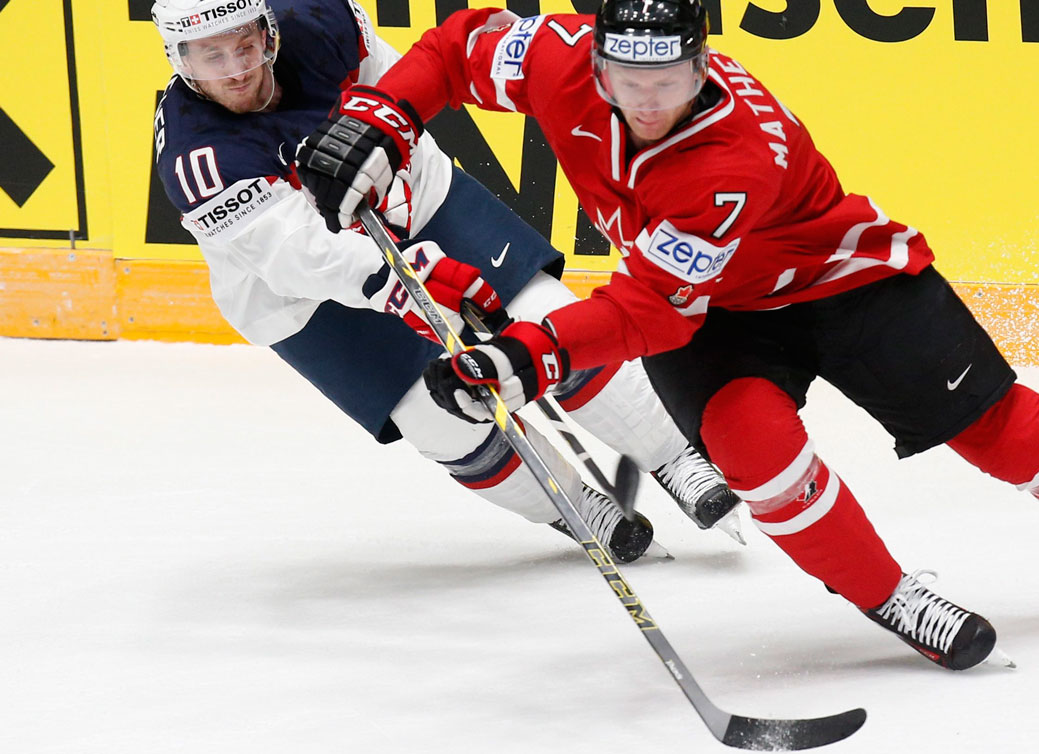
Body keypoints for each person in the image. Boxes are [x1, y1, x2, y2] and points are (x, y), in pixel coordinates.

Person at [295, 0, 1039, 670]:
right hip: (716, 320)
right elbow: (465, 46)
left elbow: (650, 312)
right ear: (593, 56)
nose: (643, 98)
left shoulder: (727, 153)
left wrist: (530, 354)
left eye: (667, 76)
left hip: (842, 283)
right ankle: (889, 594)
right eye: (624, 75)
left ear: (702, 61)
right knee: (755, 454)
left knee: (999, 430)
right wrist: (381, 117)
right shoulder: (561, 65)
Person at [149, 0, 743, 565]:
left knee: (549, 318)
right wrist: (404, 279)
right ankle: (574, 506)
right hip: (301, 297)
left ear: (268, 31)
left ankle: (675, 457)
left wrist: (385, 160)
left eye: (245, 47)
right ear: (180, 58)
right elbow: (295, 254)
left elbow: (397, 89)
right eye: (212, 57)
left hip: (419, 200)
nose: (237, 71)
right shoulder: (195, 154)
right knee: (439, 418)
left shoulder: (321, 18)